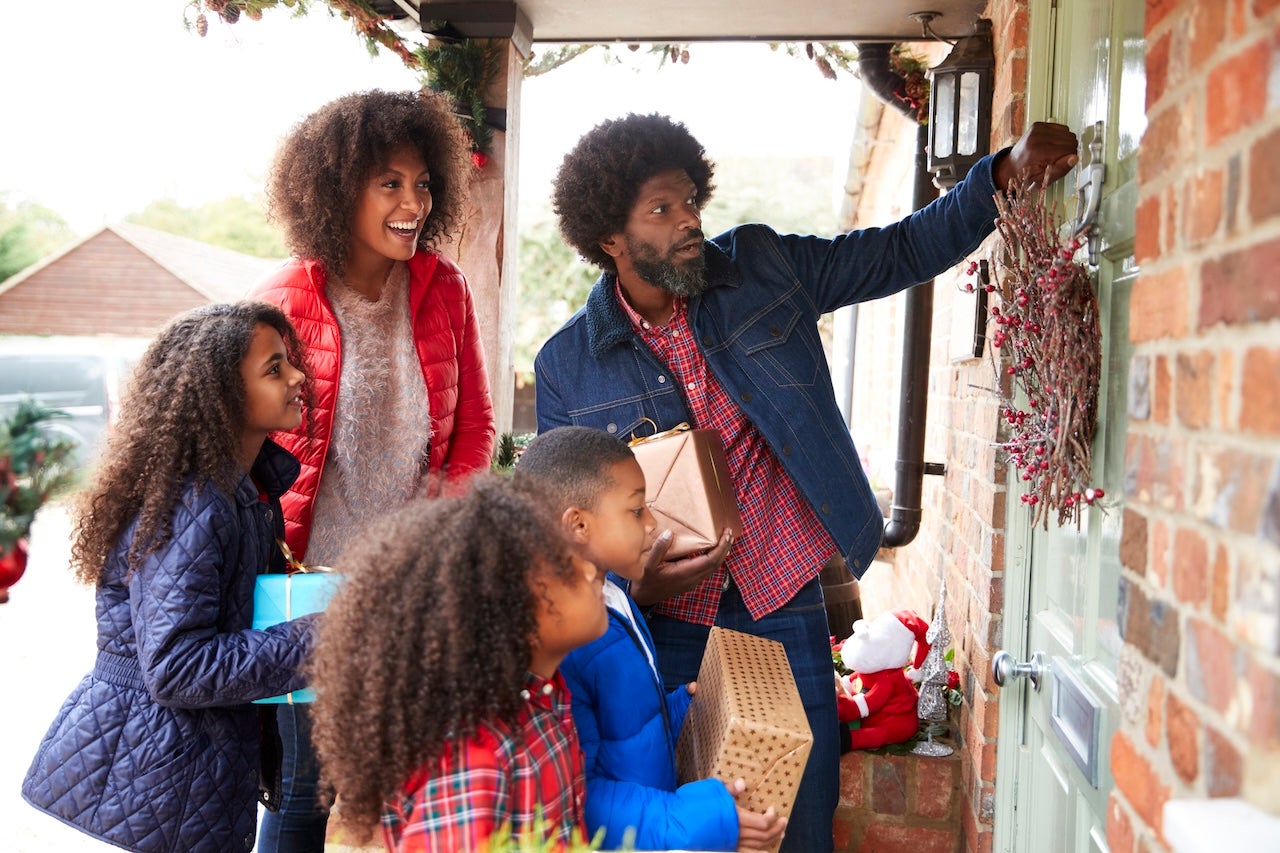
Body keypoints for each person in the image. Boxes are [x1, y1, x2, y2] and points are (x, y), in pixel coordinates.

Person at [534, 113, 1079, 852]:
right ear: (609, 237)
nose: (688, 219)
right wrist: (640, 587)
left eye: (690, 198)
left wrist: (998, 179)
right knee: (686, 821)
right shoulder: (567, 364)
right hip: (668, 629)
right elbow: (563, 526)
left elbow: (896, 251)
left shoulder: (760, 265)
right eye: (660, 210)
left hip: (784, 599)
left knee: (801, 818)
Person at [249, 88, 496, 852]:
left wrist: (437, 530)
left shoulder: (443, 287)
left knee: (390, 794)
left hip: (409, 584)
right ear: (336, 188)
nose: (412, 202)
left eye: (422, 184)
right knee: (303, 791)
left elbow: (476, 425)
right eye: (389, 182)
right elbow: (251, 441)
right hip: (307, 589)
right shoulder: (281, 300)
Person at [22, 301, 319, 853]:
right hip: (157, 782)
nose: (298, 376)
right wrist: (324, 633)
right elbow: (178, 668)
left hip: (190, 776)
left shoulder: (244, 491)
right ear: (221, 394)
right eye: (274, 368)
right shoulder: (194, 502)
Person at [516, 426, 788, 852]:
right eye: (636, 510)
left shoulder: (613, 599)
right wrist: (702, 820)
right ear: (579, 524)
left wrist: (678, 708)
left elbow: (622, 728)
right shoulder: (567, 638)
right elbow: (576, 795)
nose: (652, 525)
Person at [306, 475, 606, 852]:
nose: (592, 571)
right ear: (515, 617)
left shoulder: (543, 697)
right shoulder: (475, 767)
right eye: (568, 571)